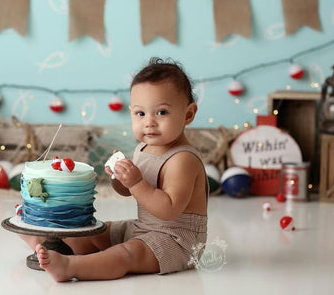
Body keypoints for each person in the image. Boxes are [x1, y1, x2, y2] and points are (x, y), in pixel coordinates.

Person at [21, 57, 208, 282]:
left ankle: (71, 267)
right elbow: (129, 191)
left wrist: (136, 183)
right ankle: (44, 243)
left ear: (188, 114)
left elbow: (168, 209)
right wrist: (120, 180)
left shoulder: (183, 159)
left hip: (177, 241)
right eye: (140, 114)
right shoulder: (144, 148)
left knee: (125, 254)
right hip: (144, 228)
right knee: (96, 231)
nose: (149, 122)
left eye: (161, 113)